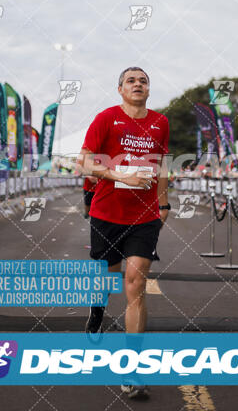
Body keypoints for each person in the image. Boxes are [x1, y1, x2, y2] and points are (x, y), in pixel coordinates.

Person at [77, 67, 169, 400]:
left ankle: (132, 369)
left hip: (144, 217)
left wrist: (165, 204)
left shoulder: (161, 122)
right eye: (131, 80)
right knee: (107, 276)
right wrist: (121, 175)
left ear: (149, 89)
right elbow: (84, 162)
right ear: (120, 89)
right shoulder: (106, 118)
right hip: (107, 213)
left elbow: (161, 166)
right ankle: (97, 310)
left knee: (136, 283)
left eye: (143, 80)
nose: (138, 84)